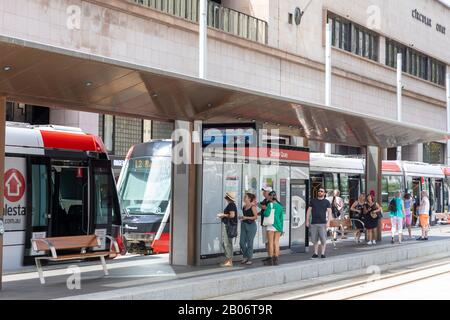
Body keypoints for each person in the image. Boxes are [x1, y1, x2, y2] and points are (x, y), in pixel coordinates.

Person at [306, 187, 332, 259]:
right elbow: (308, 211)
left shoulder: (326, 202)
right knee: (314, 239)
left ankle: (323, 253)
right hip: (314, 223)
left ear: (324, 193)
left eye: (321, 191)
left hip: (323, 223)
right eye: (319, 191)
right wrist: (307, 221)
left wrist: (328, 222)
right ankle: (315, 253)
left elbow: (330, 212)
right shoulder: (313, 201)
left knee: (323, 239)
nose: (319, 192)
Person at [263, 191, 284, 266]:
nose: (268, 198)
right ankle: (276, 259)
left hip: (271, 226)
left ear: (270, 197)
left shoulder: (270, 205)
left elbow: (266, 214)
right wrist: (282, 229)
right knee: (276, 243)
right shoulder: (280, 206)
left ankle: (271, 259)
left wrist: (265, 209)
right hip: (278, 226)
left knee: (270, 243)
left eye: (268, 196)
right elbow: (282, 218)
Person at [217, 192, 238, 267]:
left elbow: (232, 215)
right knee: (227, 242)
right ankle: (229, 259)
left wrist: (223, 215)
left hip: (228, 226)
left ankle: (229, 260)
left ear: (227, 198)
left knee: (226, 243)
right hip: (229, 225)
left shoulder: (231, 205)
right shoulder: (231, 204)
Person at [239, 193, 258, 265]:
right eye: (244, 197)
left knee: (250, 242)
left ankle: (249, 258)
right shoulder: (244, 207)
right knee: (241, 242)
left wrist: (246, 217)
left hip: (251, 226)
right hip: (243, 224)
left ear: (249, 199)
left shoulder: (253, 207)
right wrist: (241, 217)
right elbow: (243, 216)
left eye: (245, 197)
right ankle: (245, 256)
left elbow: (256, 217)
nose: (244, 198)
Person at [258, 186, 272, 252]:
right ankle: (269, 255)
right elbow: (263, 210)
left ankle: (271, 256)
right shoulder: (264, 200)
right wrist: (257, 213)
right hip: (264, 222)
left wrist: (257, 204)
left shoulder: (271, 200)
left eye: (265, 191)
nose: (263, 193)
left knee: (269, 240)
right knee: (266, 240)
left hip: (269, 223)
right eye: (263, 191)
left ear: (269, 192)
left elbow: (266, 208)